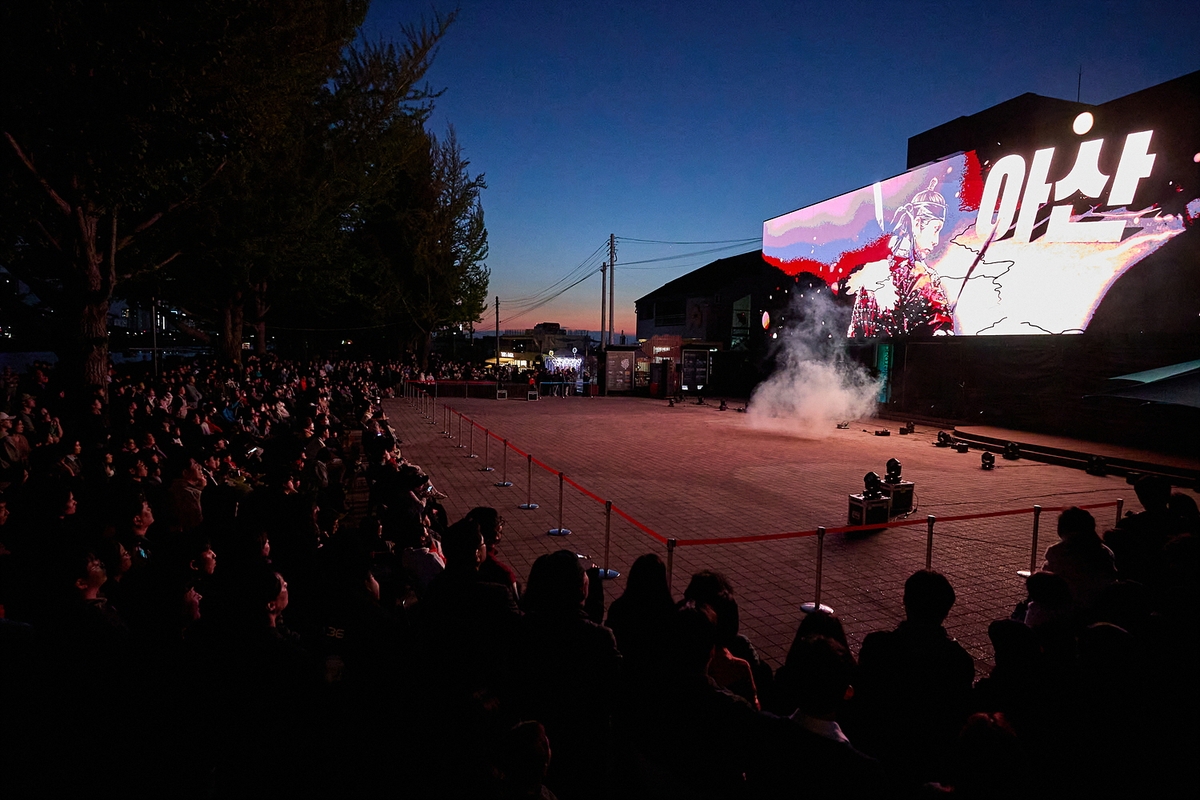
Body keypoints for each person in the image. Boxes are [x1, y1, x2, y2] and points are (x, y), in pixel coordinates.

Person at [847, 178, 953, 336]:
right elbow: (941, 335)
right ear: (917, 224)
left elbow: (854, 336)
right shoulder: (921, 278)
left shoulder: (871, 274)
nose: (936, 240)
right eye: (935, 229)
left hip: (864, 359)